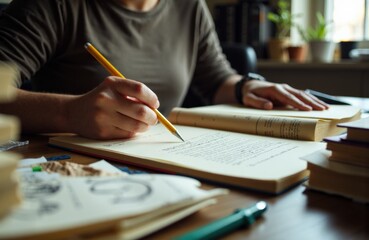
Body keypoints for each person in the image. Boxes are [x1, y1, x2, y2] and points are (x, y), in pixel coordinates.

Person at [0, 0, 328, 140]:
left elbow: (216, 78)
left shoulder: (189, 6)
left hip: (162, 165)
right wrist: (68, 113)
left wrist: (244, 87)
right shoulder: (53, 5)